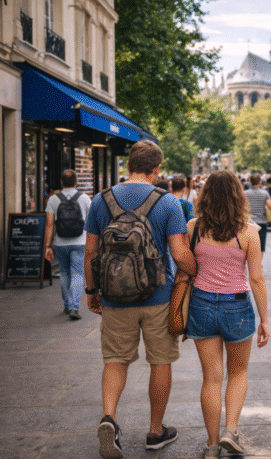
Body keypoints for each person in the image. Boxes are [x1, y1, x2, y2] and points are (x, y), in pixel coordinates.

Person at [83, 141, 197, 458]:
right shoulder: (168, 202)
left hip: (116, 297)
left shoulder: (100, 200)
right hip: (159, 296)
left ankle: (109, 418)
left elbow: (90, 252)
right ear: (156, 169)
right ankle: (155, 431)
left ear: (129, 164)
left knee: (115, 360)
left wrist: (92, 292)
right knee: (160, 361)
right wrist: (197, 269)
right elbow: (179, 253)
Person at [184, 170, 269, 459]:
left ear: (205, 196)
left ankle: (211, 446)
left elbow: (186, 268)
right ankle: (229, 430)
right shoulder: (248, 232)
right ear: (238, 196)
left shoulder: (193, 227)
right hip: (237, 306)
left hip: (201, 305)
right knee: (239, 372)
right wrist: (265, 319)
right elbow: (256, 278)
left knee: (211, 378)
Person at [44, 169, 91, 320]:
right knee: (78, 274)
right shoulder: (84, 198)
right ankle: (74, 307)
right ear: (76, 182)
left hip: (60, 243)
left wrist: (47, 246)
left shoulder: (53, 199)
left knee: (64, 274)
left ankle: (67, 304)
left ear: (62, 182)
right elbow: (90, 224)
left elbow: (49, 225)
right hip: (80, 242)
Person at [243, 174, 271, 254]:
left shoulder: (245, 193)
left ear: (250, 181)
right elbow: (270, 206)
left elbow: (241, 207)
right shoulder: (265, 193)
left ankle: (250, 263)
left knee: (248, 246)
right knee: (260, 246)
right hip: (262, 222)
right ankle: (258, 264)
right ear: (260, 182)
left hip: (248, 222)